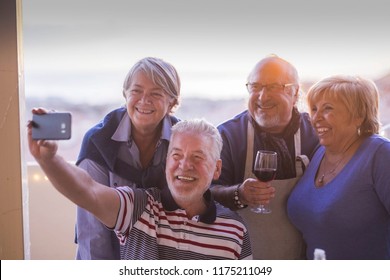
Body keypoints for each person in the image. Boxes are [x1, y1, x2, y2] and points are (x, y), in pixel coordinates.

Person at [28, 116, 253, 260]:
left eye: (198, 156)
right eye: (177, 155)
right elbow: (88, 191)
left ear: (216, 169)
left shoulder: (235, 230)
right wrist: (49, 159)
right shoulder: (139, 208)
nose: (185, 165)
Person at [211, 54, 319, 259]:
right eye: (256, 87)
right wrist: (238, 194)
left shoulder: (315, 133)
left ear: (295, 93)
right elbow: (206, 192)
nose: (262, 97)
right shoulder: (228, 135)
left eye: (272, 87)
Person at [75, 57, 181, 259]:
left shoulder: (182, 140)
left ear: (172, 103)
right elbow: (92, 232)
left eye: (156, 93)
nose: (144, 100)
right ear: (125, 94)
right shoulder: (98, 141)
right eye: (136, 91)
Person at [287, 75, 390, 260]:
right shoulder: (319, 153)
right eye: (314, 109)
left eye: (328, 109)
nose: (316, 118)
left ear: (358, 115)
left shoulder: (380, 153)